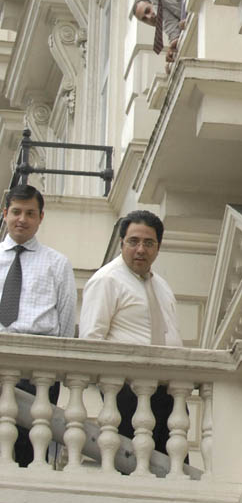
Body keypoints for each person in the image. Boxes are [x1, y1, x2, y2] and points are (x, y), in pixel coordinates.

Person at [79, 209, 183, 457]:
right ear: (122, 243)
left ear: (158, 247)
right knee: (133, 464)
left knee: (173, 466)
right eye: (133, 241)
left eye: (149, 243)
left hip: (166, 393)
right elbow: (91, 341)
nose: (141, 249)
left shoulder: (162, 286)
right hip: (126, 393)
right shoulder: (107, 280)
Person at [0, 185, 76, 466]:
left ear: (41, 217)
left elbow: (66, 320)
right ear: (5, 214)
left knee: (31, 450)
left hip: (37, 371)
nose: (22, 219)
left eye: (30, 213)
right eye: (16, 212)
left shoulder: (57, 263)